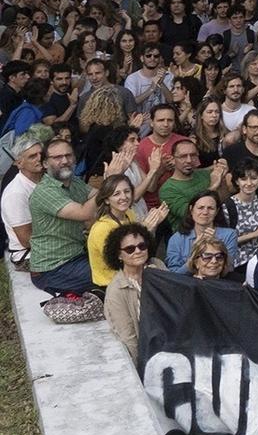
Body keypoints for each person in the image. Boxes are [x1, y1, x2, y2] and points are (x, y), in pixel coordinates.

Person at [29, 135, 124, 295]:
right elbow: (85, 213)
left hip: (78, 256)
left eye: (68, 155)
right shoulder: (44, 191)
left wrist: (116, 182)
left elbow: (103, 198)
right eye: (57, 157)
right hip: (53, 269)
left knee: (128, 263)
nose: (65, 161)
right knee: (119, 275)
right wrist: (108, 181)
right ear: (45, 163)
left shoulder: (75, 181)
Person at [102, 223, 165, 361]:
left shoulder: (158, 267)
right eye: (130, 249)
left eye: (142, 246)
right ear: (119, 255)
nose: (138, 251)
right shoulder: (116, 290)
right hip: (147, 354)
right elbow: (128, 337)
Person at [166, 192, 239, 275]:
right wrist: (194, 252)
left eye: (210, 208)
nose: (205, 212)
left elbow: (229, 268)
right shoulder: (177, 239)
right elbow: (173, 275)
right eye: (200, 208)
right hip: (186, 284)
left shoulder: (229, 235)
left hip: (218, 283)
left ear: (217, 211)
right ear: (191, 209)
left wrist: (216, 244)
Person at [2, 132, 45, 269]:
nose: (39, 159)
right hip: (28, 256)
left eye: (41, 154)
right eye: (32, 156)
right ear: (19, 163)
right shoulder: (16, 193)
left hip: (48, 248)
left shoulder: (47, 179)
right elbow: (27, 240)